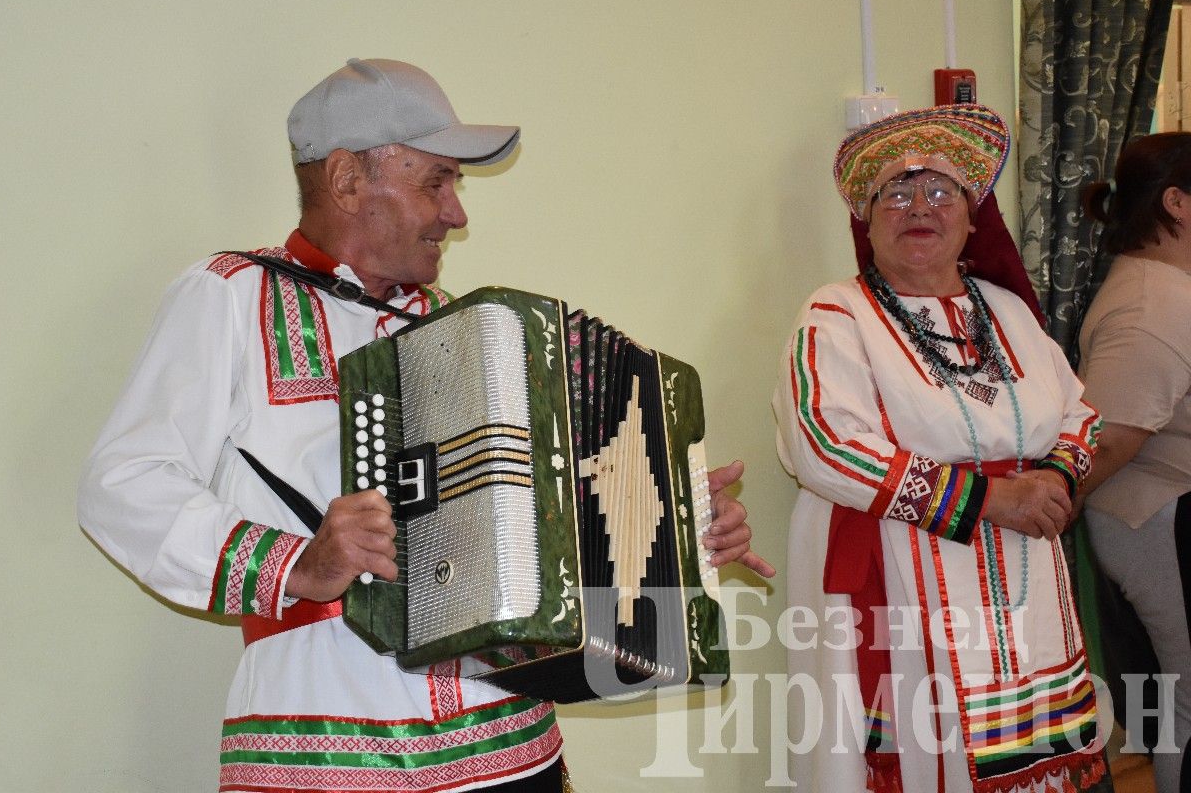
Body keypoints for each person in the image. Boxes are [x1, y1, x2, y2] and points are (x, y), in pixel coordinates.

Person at [77, 58, 774, 793]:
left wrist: (674, 525)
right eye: (435, 182)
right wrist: (296, 564)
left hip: (509, 747)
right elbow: (122, 484)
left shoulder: (480, 333)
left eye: (454, 186)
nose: (457, 213)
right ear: (348, 179)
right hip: (329, 745)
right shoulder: (228, 297)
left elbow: (548, 522)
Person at [772, 104, 1107, 793]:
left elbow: (1081, 413)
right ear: (867, 219)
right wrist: (990, 498)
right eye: (894, 192)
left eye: (938, 191)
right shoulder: (836, 313)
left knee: (1031, 749)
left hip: (1022, 576)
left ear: (972, 216)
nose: (916, 208)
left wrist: (1052, 480)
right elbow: (826, 447)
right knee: (926, 754)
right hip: (900, 568)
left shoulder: (1007, 310)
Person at [1076, 132, 1191, 793]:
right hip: (1158, 522)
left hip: (1162, 516)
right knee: (1187, 706)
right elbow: (1106, 442)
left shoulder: (1168, 287)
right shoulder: (1153, 304)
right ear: (1177, 202)